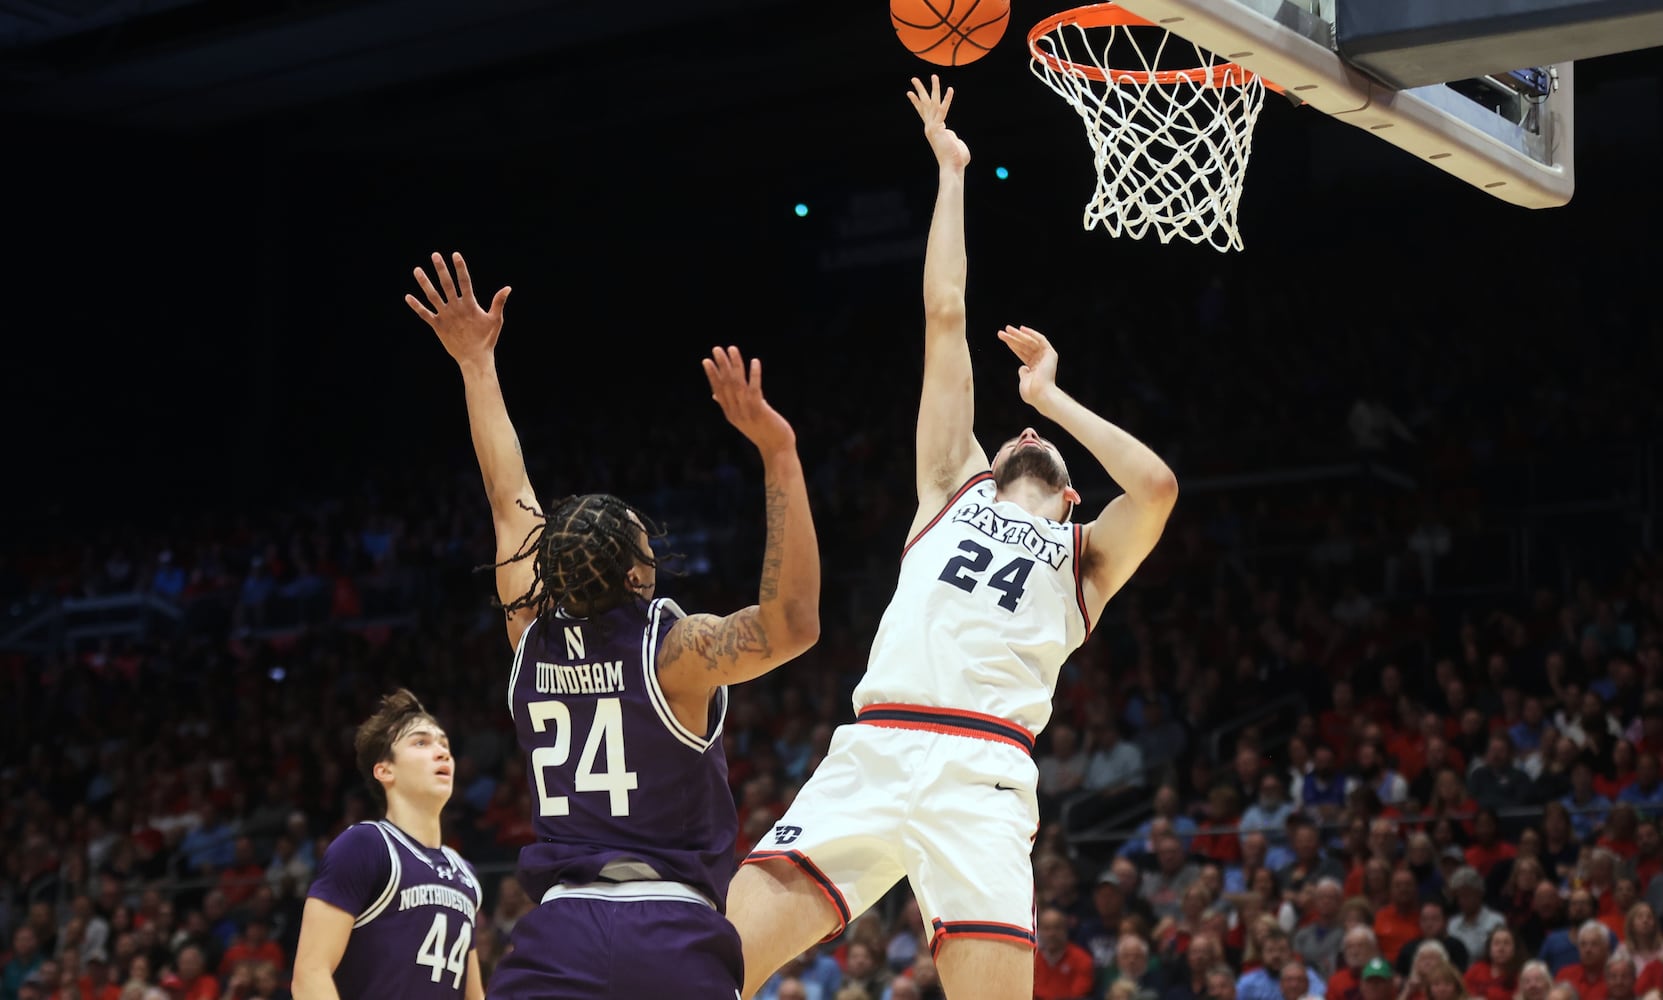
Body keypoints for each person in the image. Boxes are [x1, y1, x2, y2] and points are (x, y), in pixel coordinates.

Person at [727, 76, 1178, 1000]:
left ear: (1067, 497)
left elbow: (1159, 485)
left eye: (1039, 441)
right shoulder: (948, 483)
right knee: (704, 968)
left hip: (984, 774)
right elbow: (944, 315)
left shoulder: (1085, 557)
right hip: (878, 746)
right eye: (1022, 430)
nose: (1025, 437)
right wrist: (951, 171)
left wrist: (1050, 399)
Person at [405, 252, 820, 998]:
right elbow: (792, 623)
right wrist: (777, 452)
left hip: (556, 934)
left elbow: (508, 498)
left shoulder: (527, 632)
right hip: (670, 930)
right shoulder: (675, 651)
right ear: (639, 572)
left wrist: (475, 363)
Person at [292, 690, 485, 999]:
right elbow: (310, 975)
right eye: (421, 742)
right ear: (385, 770)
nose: (441, 752)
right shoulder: (365, 846)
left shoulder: (466, 874)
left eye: (444, 744)